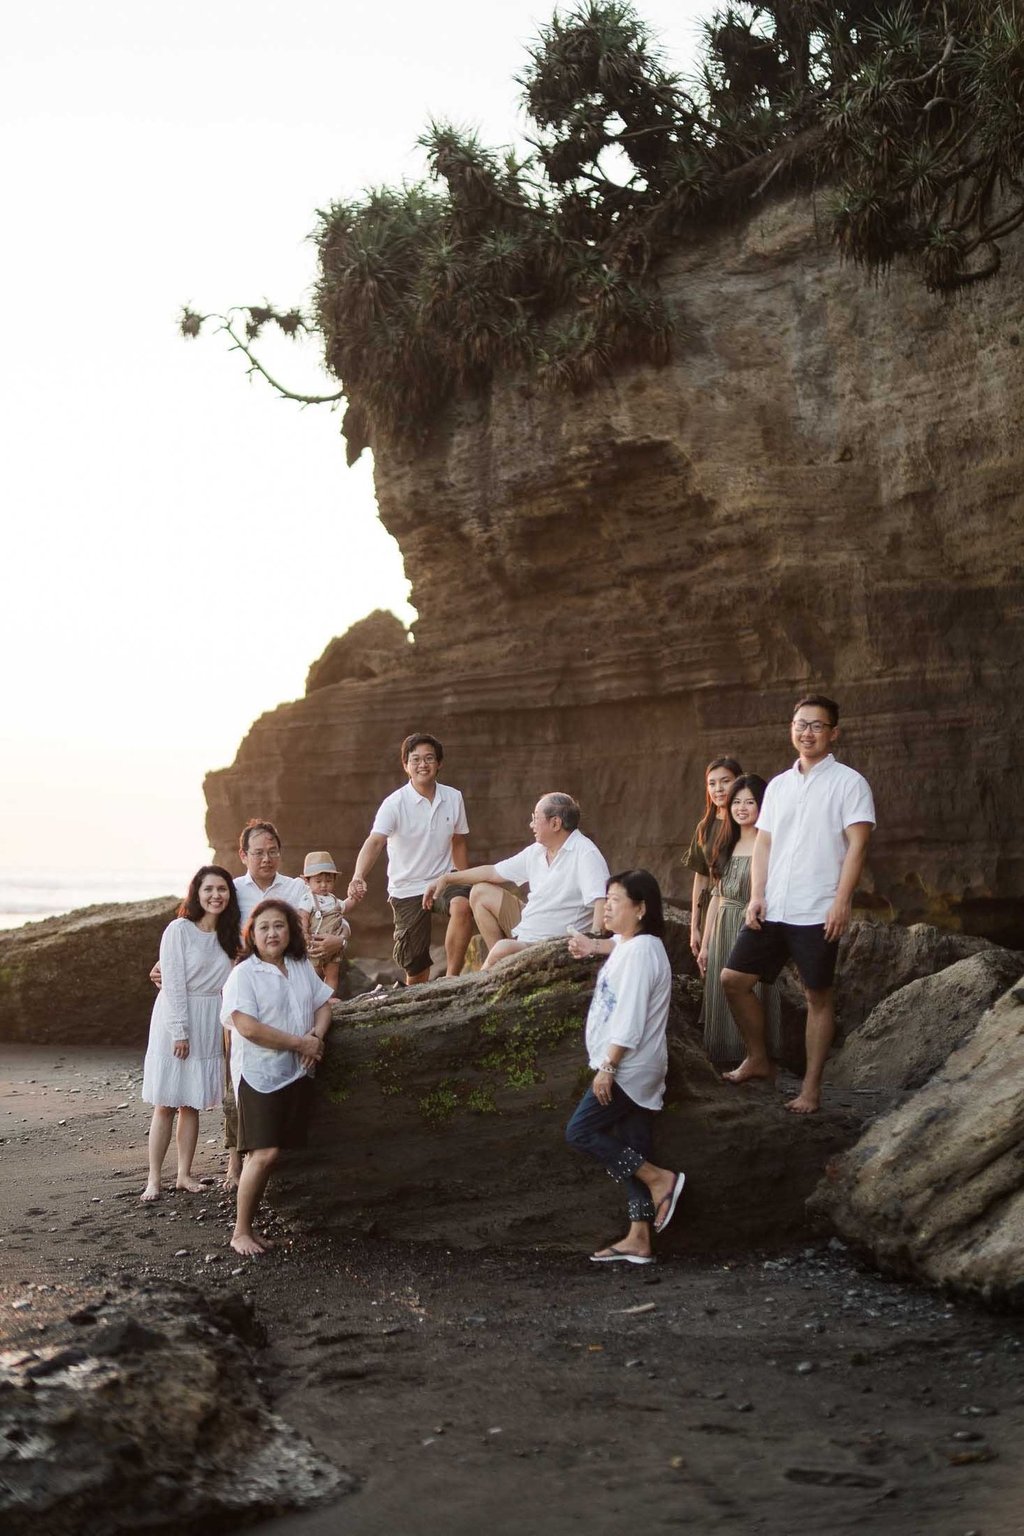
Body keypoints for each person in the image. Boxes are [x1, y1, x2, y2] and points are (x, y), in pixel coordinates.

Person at [722, 695, 876, 1114]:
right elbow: (764, 843)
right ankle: (758, 1059)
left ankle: (810, 1088)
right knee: (732, 980)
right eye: (800, 724)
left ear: (834, 733)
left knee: (817, 997)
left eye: (817, 726)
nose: (807, 733)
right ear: (791, 728)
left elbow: (858, 846)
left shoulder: (850, 783)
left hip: (817, 908)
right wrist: (756, 896)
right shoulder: (779, 785)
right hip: (773, 907)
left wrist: (842, 903)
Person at [564, 871, 686, 1264]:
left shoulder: (639, 953)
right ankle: (639, 1237)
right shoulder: (635, 945)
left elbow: (630, 1018)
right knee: (631, 1147)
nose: (608, 905)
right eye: (607, 898)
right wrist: (591, 945)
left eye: (616, 899)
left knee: (580, 1131)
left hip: (628, 1067)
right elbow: (615, 942)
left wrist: (608, 1066)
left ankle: (659, 1179)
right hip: (639, 1067)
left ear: (641, 908)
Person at [220, 900, 334, 1257]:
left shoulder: (299, 966)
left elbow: (323, 1003)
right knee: (264, 1153)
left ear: (290, 931)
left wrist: (316, 1035)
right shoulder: (244, 974)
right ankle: (240, 1231)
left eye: (279, 926)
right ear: (252, 935)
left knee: (278, 1152)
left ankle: (257, 1221)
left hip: (297, 1072)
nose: (272, 933)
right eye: (264, 927)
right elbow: (248, 1028)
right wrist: (300, 1042)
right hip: (259, 1074)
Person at [140, 866, 241, 1202]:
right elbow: (173, 984)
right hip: (176, 1015)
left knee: (192, 1103)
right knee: (166, 1102)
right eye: (209, 889)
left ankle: (184, 1174)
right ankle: (154, 1178)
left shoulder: (231, 937)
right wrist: (180, 1031)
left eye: (222, 889)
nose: (216, 895)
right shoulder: (179, 930)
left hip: (210, 1015)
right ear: (196, 893)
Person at [424, 792, 609, 968]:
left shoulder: (585, 853)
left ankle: (493, 970)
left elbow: (601, 901)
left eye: (535, 818)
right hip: (528, 926)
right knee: (480, 892)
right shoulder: (537, 850)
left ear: (555, 823)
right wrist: (448, 878)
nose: (531, 824)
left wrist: (592, 947)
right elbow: (493, 872)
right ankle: (504, 966)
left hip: (554, 940)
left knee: (502, 949)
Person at [347, 734, 473, 985]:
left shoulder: (453, 797)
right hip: (407, 888)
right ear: (406, 765)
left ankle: (451, 980)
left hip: (443, 878)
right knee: (416, 968)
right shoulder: (394, 804)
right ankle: (418, 1002)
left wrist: (463, 877)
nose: (423, 765)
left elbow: (458, 840)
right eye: (415, 759)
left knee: (463, 905)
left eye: (429, 758)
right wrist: (358, 876)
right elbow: (375, 842)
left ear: (439, 763)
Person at [697, 775, 780, 1066]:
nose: (742, 808)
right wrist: (705, 944)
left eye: (750, 802)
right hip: (722, 924)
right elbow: (716, 897)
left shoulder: (769, 842)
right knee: (720, 992)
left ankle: (756, 1058)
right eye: (736, 802)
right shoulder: (724, 842)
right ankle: (722, 1060)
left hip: (754, 926)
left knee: (752, 991)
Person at [684, 757, 743, 961]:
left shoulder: (749, 822)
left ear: (739, 781)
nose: (718, 788)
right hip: (712, 908)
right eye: (712, 783)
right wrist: (695, 927)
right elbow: (701, 877)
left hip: (742, 905)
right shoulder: (705, 826)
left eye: (725, 781)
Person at [302, 850, 353, 996]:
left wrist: (355, 896)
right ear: (307, 881)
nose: (323, 885)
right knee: (313, 973)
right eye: (318, 881)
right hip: (315, 943)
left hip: (334, 943)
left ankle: (329, 998)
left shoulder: (334, 900)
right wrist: (304, 933)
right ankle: (312, 998)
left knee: (332, 974)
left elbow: (346, 907)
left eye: (328, 881)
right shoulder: (308, 899)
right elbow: (303, 916)